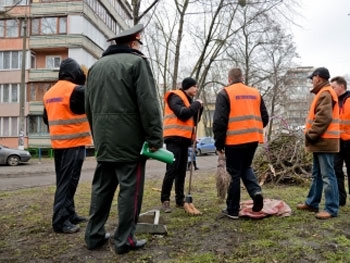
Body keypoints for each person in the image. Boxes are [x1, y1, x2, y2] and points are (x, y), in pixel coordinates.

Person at [84, 24, 163, 255]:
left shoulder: (95, 68)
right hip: (131, 144)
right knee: (130, 190)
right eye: (138, 43)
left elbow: (89, 108)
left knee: (102, 189)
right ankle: (124, 240)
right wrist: (155, 136)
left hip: (104, 142)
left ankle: (93, 235)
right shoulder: (137, 64)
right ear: (133, 43)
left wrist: (97, 136)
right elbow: (148, 105)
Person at [43, 58, 92, 234]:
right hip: (74, 143)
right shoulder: (76, 90)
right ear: (74, 73)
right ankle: (60, 221)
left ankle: (69, 214)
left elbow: (45, 119)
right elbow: (92, 101)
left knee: (65, 182)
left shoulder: (49, 93)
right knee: (68, 183)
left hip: (58, 144)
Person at [213, 67, 269, 220]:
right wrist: (253, 128)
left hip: (234, 140)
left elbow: (219, 122)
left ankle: (232, 209)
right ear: (242, 78)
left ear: (229, 79)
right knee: (246, 167)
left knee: (234, 173)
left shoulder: (225, 93)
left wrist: (219, 144)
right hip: (253, 139)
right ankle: (256, 192)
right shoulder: (255, 93)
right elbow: (265, 117)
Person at [297, 67, 340, 219]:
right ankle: (312, 203)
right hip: (320, 141)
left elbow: (324, 118)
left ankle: (331, 208)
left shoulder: (325, 93)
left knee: (328, 176)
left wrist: (310, 135)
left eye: (312, 78)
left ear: (319, 78)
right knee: (317, 175)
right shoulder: (323, 92)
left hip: (324, 141)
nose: (311, 80)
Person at [161, 77, 203, 213]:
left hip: (184, 140)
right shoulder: (175, 97)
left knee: (181, 172)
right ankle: (165, 200)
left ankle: (180, 199)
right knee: (172, 169)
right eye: (195, 86)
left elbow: (193, 121)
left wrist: (198, 108)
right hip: (173, 138)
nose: (196, 89)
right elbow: (183, 114)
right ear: (188, 87)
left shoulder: (188, 100)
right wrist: (196, 104)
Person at [330, 76, 349, 206]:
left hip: (349, 140)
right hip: (337, 141)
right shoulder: (334, 102)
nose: (332, 89)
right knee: (336, 170)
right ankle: (340, 199)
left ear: (341, 86)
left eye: (333, 87)